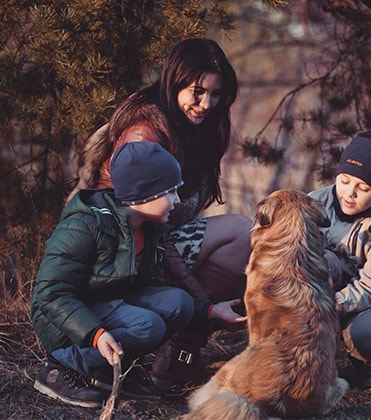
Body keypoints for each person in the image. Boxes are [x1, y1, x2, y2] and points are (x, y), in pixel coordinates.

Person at [68, 37, 252, 389]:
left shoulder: (196, 128)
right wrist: (203, 304)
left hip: (155, 243)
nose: (205, 104)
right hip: (118, 255)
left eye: (215, 95)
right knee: (240, 233)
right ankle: (174, 354)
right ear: (174, 82)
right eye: (197, 91)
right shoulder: (145, 133)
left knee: (242, 235)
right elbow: (141, 231)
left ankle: (178, 362)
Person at [31, 142, 246, 408]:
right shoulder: (85, 225)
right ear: (143, 195)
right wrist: (95, 334)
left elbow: (156, 289)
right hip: (64, 324)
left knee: (179, 302)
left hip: (107, 306)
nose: (177, 200)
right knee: (148, 325)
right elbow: (51, 294)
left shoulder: (148, 229)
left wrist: (210, 311)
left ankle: (110, 371)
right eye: (170, 192)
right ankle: (59, 368)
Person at [309, 130, 371, 390]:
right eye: (344, 180)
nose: (349, 193)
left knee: (368, 334)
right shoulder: (314, 202)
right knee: (325, 260)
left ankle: (368, 369)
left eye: (363, 188)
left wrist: (325, 307)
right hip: (319, 290)